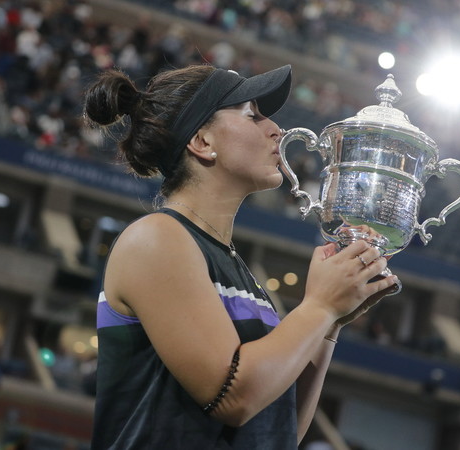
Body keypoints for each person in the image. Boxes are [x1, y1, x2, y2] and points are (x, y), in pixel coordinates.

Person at [83, 63, 400, 449]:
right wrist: (318, 308)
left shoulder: (238, 271)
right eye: (252, 115)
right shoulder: (156, 239)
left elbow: (278, 427)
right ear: (201, 141)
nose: (276, 130)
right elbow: (233, 398)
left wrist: (330, 324)